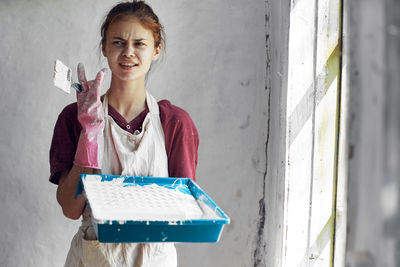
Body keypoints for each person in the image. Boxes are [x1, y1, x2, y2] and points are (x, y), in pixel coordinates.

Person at [49, 1, 199, 266]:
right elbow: (71, 209)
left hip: (155, 257)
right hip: (94, 256)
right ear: (105, 48)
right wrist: (90, 136)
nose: (128, 52)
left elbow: (183, 211)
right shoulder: (73, 118)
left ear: (156, 49)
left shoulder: (175, 122)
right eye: (118, 42)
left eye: (139, 44)